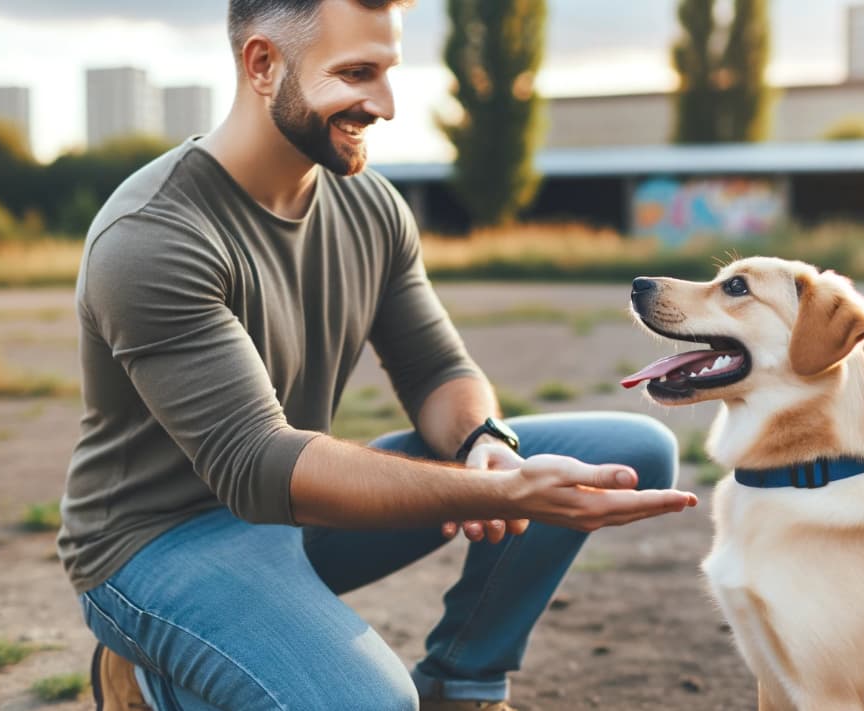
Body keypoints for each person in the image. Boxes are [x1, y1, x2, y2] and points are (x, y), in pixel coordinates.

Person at [57, 0, 697, 709]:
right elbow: (257, 464)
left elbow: (436, 369)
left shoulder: (372, 207)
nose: (386, 104)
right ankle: (146, 679)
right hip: (156, 546)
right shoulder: (152, 235)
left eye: (389, 71)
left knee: (625, 452)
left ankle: (464, 685)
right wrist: (498, 492)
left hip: (291, 512)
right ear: (263, 64)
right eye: (357, 73)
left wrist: (486, 444)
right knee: (374, 704)